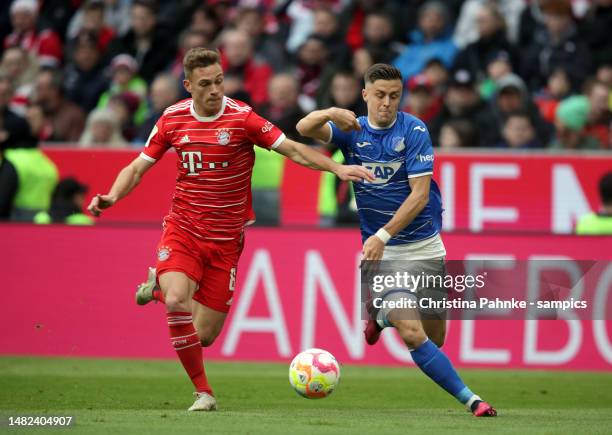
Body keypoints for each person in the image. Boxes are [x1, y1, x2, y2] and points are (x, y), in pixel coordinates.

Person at [87, 48, 372, 412]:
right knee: (178, 300)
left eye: (219, 81)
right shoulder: (172, 119)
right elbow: (138, 167)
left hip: (226, 241)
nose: (215, 90)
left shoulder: (243, 119)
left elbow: (294, 150)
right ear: (189, 86)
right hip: (183, 229)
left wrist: (337, 169)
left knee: (203, 335)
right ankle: (203, 392)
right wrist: (112, 195)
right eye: (205, 84)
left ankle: (156, 289)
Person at [296, 63, 497, 417]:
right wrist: (330, 111)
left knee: (436, 340)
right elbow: (302, 128)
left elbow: (419, 196)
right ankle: (473, 401)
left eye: (394, 96)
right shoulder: (352, 129)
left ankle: (380, 316)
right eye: (379, 95)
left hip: (424, 244)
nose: (387, 103)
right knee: (413, 332)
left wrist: (382, 234)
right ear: (365, 96)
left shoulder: (415, 130)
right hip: (384, 253)